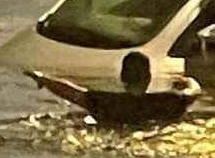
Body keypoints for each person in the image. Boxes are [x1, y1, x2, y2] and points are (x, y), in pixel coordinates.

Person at [28, 52, 200, 124]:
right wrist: (187, 80)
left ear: (123, 77)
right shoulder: (171, 100)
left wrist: (42, 79)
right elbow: (195, 91)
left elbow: (70, 93)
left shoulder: (105, 101)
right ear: (148, 76)